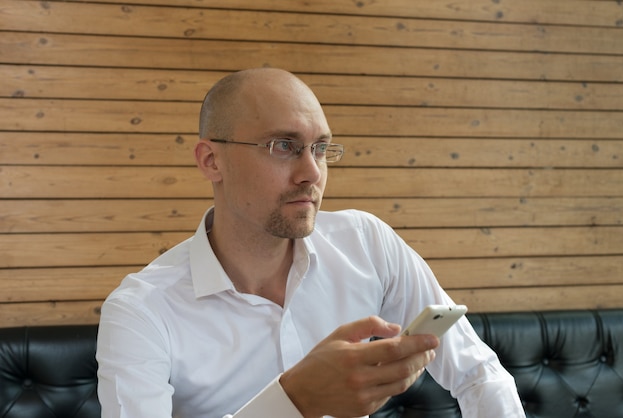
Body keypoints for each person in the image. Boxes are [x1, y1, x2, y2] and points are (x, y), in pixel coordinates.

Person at [96, 67, 525, 418]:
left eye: (319, 148)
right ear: (212, 161)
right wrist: (292, 400)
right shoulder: (141, 311)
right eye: (284, 146)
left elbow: (478, 373)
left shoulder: (367, 243)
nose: (312, 173)